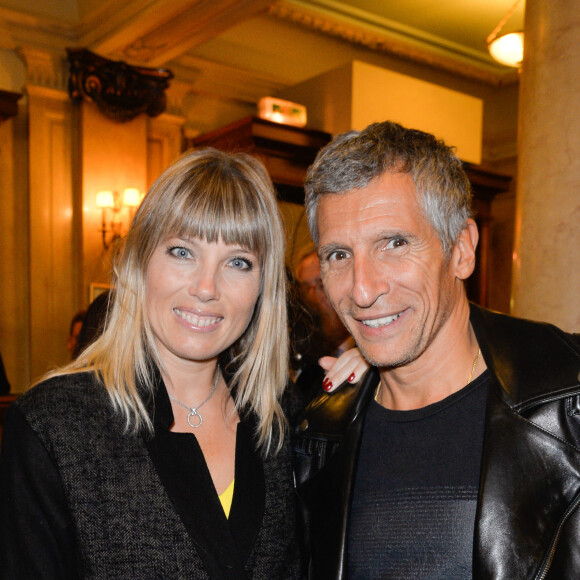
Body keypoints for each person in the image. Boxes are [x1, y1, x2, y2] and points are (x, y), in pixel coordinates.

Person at [0, 148, 362, 578]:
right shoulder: (55, 424)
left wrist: (376, 380)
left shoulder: (284, 417)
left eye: (238, 262)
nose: (206, 287)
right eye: (182, 252)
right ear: (139, 260)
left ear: (262, 288)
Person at [293, 120, 580, 579]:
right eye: (339, 255)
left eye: (394, 243)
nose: (362, 290)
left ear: (462, 249)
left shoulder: (569, 401)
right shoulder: (317, 433)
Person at [291, 248, 354, 397]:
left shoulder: (372, 354)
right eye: (305, 289)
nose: (313, 297)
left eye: (321, 285)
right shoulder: (301, 365)